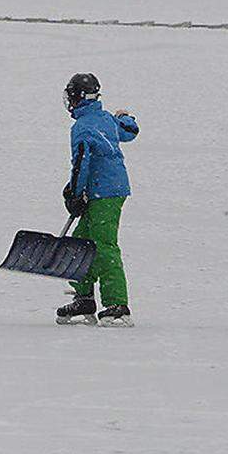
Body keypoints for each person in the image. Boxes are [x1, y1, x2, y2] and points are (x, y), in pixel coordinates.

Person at [55, 73, 139, 327]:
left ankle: (117, 305)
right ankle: (84, 298)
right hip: (104, 190)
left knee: (103, 246)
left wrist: (74, 193)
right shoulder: (105, 119)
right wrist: (125, 116)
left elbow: (81, 163)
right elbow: (130, 130)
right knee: (80, 242)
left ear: (78, 98)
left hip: (106, 193)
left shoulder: (83, 127)